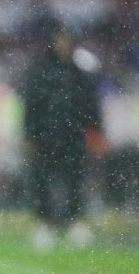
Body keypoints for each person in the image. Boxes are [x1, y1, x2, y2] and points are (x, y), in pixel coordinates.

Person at [22, 22, 104, 251]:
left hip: (73, 136)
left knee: (75, 180)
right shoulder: (40, 72)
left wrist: (97, 132)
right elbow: (31, 106)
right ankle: (44, 223)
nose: (62, 45)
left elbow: (91, 106)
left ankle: (75, 221)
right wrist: (29, 134)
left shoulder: (79, 74)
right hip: (45, 136)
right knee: (42, 181)